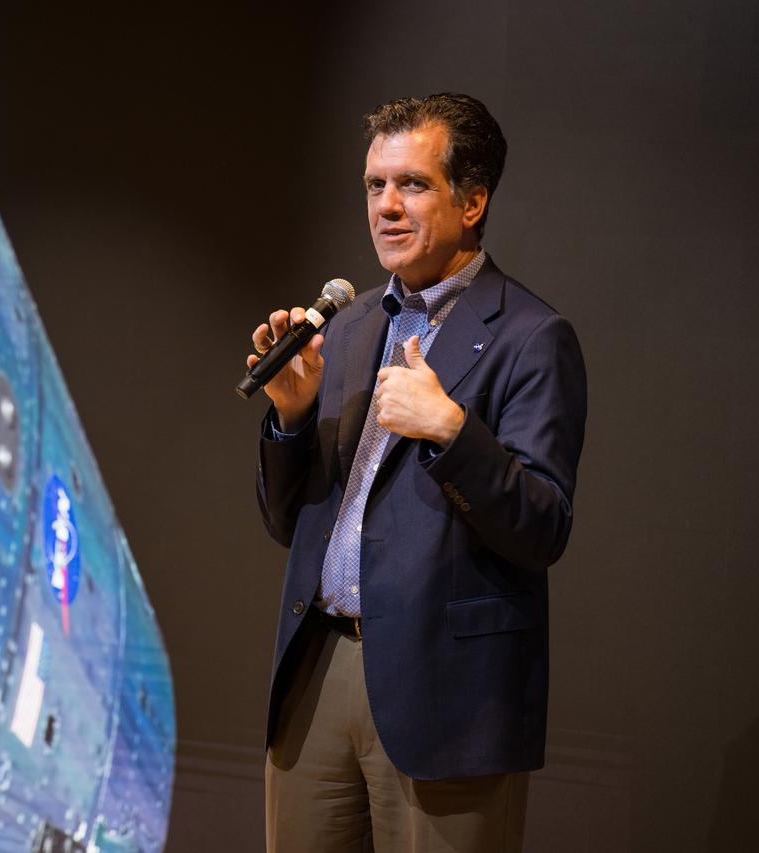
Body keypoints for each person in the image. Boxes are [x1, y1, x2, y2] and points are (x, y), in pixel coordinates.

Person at [250, 93, 587, 852]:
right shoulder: (352, 322)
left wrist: (452, 430)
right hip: (320, 668)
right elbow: (284, 519)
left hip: (445, 688)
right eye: (375, 185)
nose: (387, 207)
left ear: (472, 202)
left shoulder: (532, 337)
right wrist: (293, 415)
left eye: (413, 184)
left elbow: (543, 526)